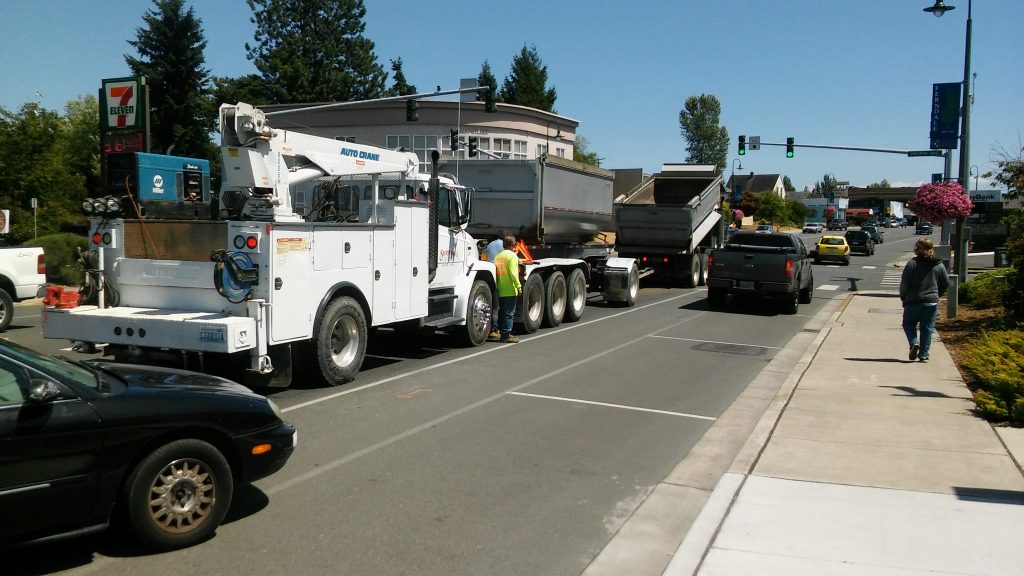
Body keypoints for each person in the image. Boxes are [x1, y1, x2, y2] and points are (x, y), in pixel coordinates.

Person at [899, 238, 949, 363]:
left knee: (908, 323)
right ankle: (924, 355)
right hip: (931, 301)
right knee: (927, 327)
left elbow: (905, 282)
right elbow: (946, 282)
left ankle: (914, 343)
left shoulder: (912, 263)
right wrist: (937, 294)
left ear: (918, 249)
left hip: (913, 300)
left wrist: (903, 296)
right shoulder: (938, 264)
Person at [488, 234, 522, 343]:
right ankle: (506, 335)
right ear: (513, 245)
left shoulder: (498, 256)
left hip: (500, 289)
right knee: (509, 314)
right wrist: (519, 287)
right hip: (510, 289)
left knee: (502, 312)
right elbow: (513, 273)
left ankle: (503, 333)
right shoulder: (512, 256)